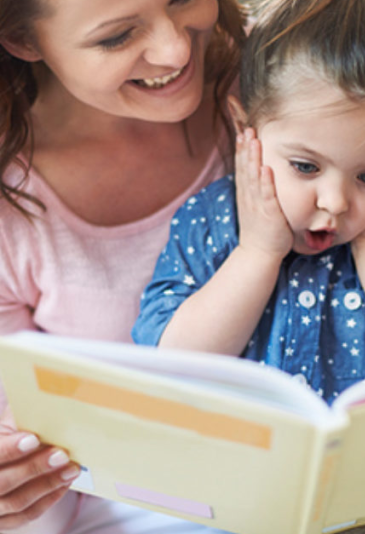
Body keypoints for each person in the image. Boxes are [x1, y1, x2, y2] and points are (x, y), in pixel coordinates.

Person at [132, 0, 365, 532]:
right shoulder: (211, 220)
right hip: (242, 471)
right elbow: (172, 362)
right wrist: (258, 252)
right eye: (305, 167)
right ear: (245, 129)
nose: (335, 202)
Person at [0, 0, 249, 532]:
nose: (176, 48)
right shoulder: (10, 204)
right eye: (116, 37)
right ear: (23, 41)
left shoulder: (271, 78)